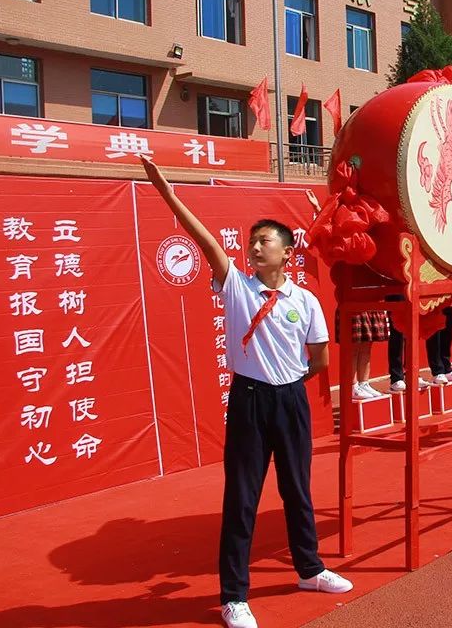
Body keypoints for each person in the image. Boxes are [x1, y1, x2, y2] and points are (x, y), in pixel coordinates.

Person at [139, 158, 352, 628]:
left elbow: (319, 359)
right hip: (250, 402)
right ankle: (234, 596)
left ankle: (310, 569)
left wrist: (291, 382)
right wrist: (169, 193)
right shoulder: (236, 287)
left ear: (286, 252)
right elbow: (207, 242)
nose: (255, 247)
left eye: (265, 241)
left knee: (298, 489)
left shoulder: (306, 300)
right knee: (242, 497)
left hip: (290, 400)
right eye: (252, 241)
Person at [305, 190, 386, 401]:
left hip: (371, 297)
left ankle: (364, 383)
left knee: (367, 346)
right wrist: (317, 208)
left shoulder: (372, 236)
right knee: (354, 348)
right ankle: (351, 385)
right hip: (352, 299)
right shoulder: (344, 239)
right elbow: (329, 227)